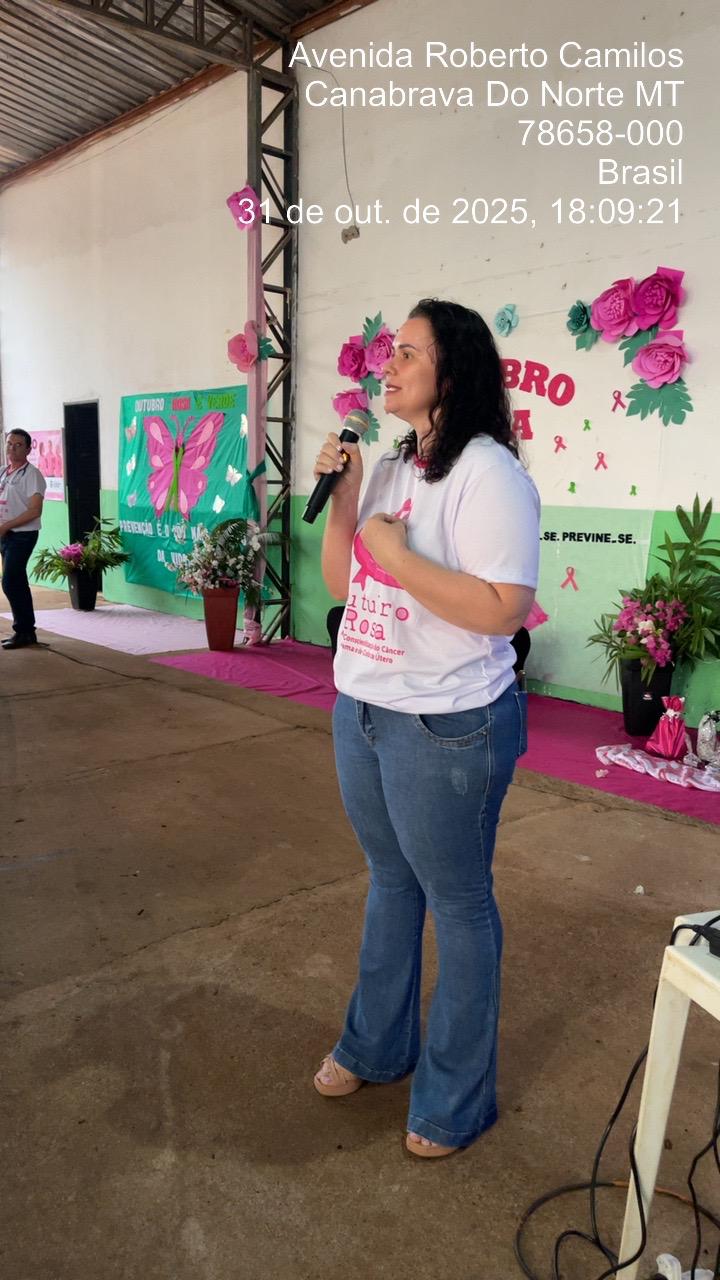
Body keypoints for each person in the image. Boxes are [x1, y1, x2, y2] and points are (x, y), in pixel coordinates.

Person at [312, 299, 540, 1158]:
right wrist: (346, 502)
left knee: (459, 901)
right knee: (390, 882)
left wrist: (400, 555)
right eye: (390, 351)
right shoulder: (389, 465)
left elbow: (503, 607)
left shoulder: (488, 473)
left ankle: (454, 1100)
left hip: (447, 724)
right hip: (364, 710)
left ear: (454, 372)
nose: (389, 363)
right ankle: (376, 1046)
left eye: (409, 352)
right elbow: (344, 584)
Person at [0, 429, 46, 649]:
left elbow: (35, 510)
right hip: (5, 535)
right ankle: (26, 632)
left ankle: (24, 630)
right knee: (16, 581)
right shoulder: (3, 471)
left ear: (28, 449)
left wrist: (6, 526)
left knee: (10, 581)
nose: (12, 448)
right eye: (10, 443)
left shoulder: (32, 475)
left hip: (22, 535)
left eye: (18, 445)